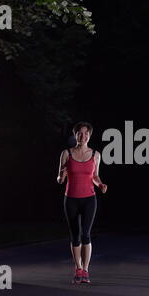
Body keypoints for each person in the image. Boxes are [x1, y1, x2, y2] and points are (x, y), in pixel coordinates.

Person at [57, 121, 107, 284]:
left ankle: (85, 270)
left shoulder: (95, 155)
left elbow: (95, 176)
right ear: (75, 135)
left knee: (86, 234)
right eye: (80, 133)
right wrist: (62, 177)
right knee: (75, 235)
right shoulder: (66, 154)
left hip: (89, 199)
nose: (83, 136)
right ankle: (77, 268)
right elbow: (59, 178)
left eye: (86, 133)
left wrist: (100, 184)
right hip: (70, 198)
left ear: (90, 136)